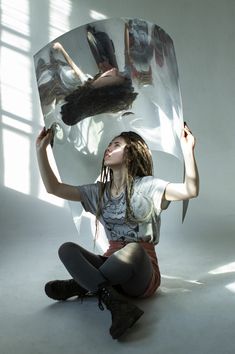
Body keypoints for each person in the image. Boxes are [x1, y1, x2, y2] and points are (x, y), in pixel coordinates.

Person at [36, 122, 199, 340]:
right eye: (109, 145)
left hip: (140, 273)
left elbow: (191, 190)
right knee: (67, 250)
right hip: (110, 262)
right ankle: (115, 303)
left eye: (116, 145)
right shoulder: (99, 192)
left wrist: (188, 151)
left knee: (133, 249)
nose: (108, 149)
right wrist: (41, 150)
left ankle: (84, 284)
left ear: (131, 154)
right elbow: (54, 188)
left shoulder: (149, 186)